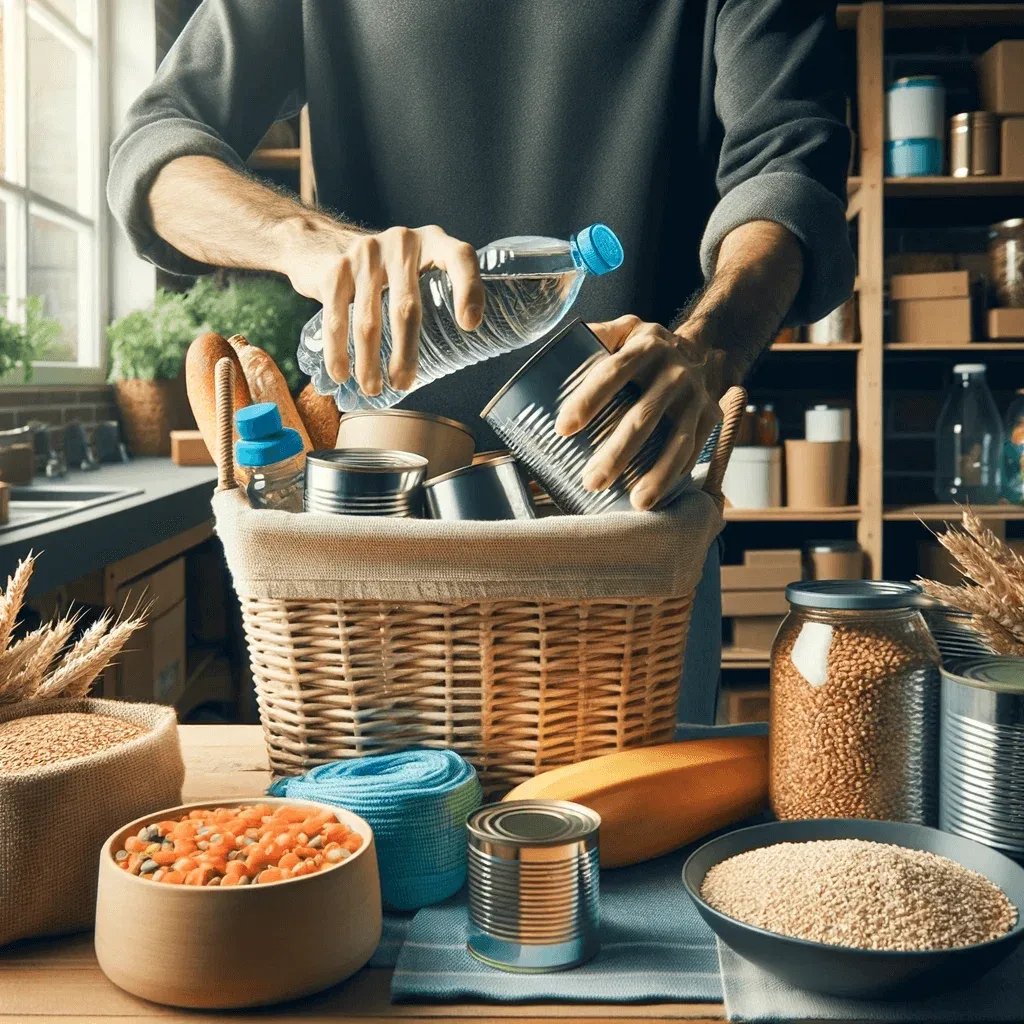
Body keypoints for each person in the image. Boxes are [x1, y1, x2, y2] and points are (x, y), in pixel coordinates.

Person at [108, 0, 854, 727]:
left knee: (633, 846)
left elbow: (787, 168)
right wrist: (308, 241)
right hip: (373, 549)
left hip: (623, 535)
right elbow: (156, 149)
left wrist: (704, 343)